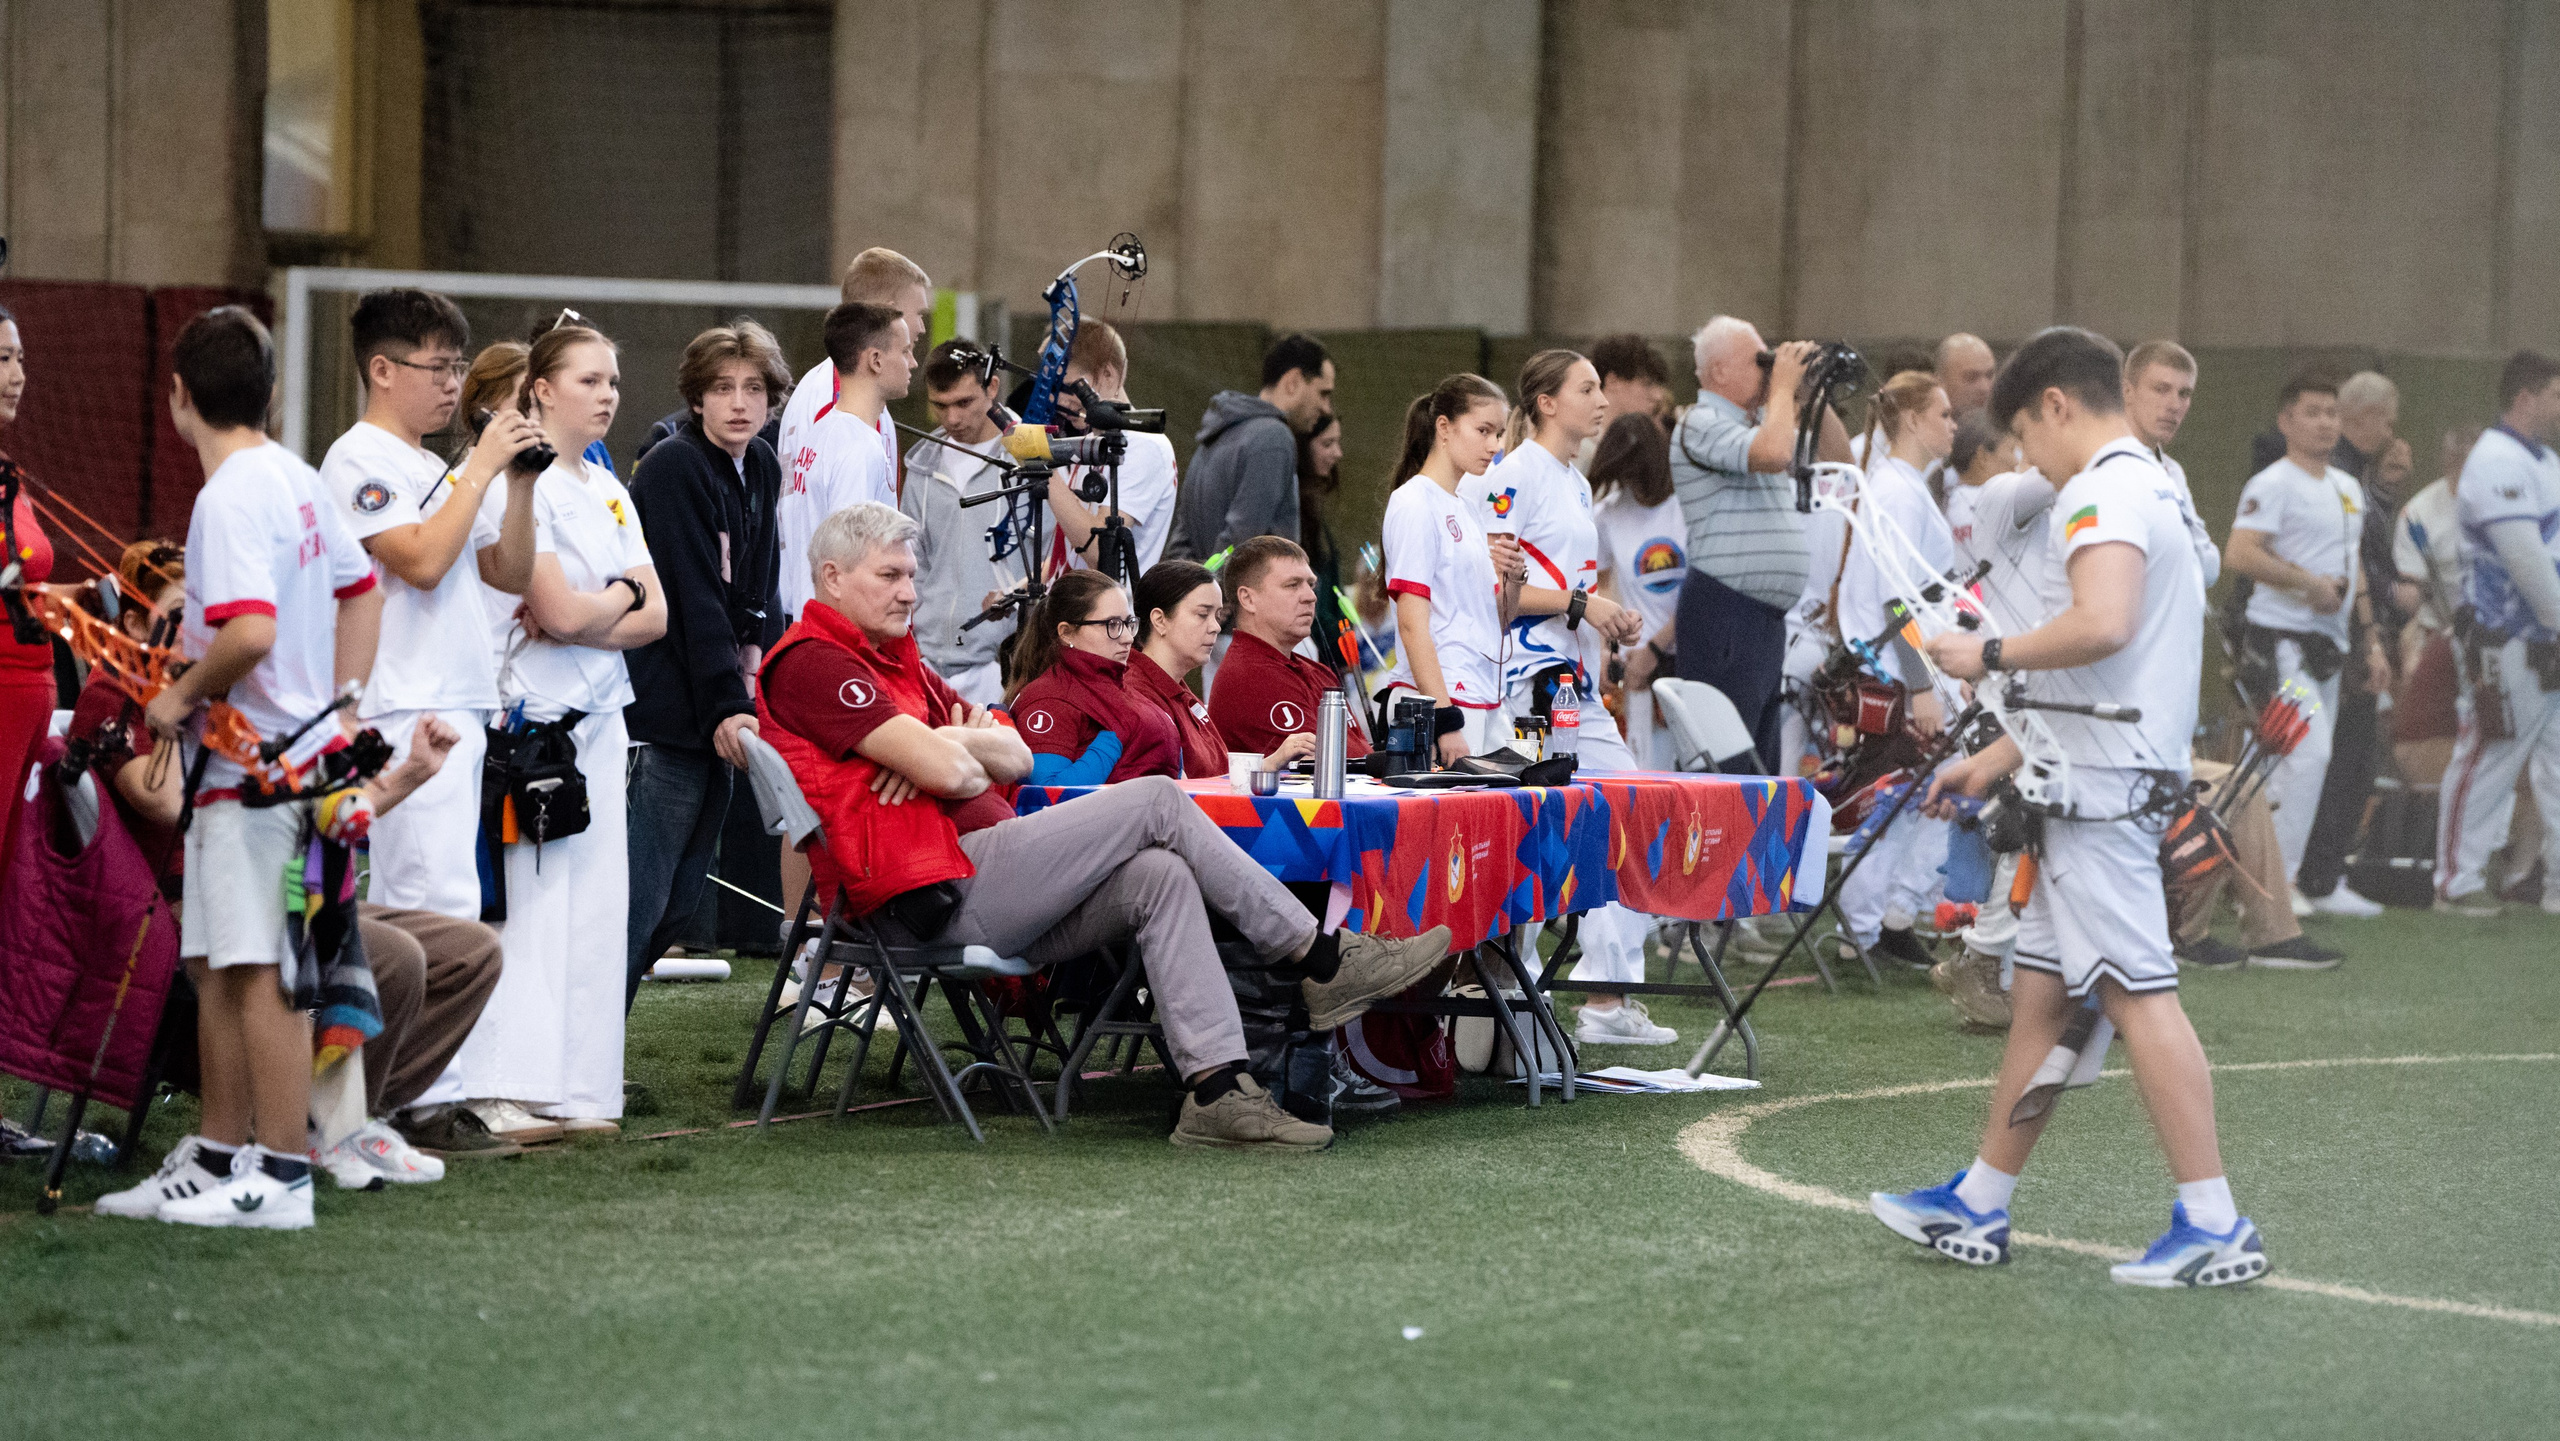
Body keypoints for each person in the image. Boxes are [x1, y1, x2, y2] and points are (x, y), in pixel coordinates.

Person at [756, 502, 1451, 1150]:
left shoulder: (896, 659)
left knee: (1161, 873)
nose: (910, 590)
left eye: (911, 573)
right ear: (832, 577)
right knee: (1156, 801)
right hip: (926, 897)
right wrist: (945, 750)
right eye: (891, 575)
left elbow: (1013, 756)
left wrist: (944, 744)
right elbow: (966, 773)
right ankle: (1320, 958)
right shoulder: (815, 661)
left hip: (979, 877)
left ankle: (1215, 1092)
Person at [1876, 325, 2269, 1290]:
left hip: (2099, 795)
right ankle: (1981, 1200)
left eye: (2022, 435)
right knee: (2044, 1007)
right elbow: (2121, 655)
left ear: (2055, 404)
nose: (2023, 460)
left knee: (2139, 993)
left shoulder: (2103, 486)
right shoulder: (2146, 483)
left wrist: (1987, 657)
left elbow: (2102, 622)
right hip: (2087, 778)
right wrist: (2004, 751)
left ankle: (2215, 1220)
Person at [120, 308, 384, 1230]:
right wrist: (343, 704)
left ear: (180, 397)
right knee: (219, 962)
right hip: (287, 767)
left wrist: (177, 694)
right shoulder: (294, 477)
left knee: (262, 968)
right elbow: (360, 589)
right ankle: (222, 1151)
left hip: (256, 773)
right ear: (270, 392)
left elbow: (252, 630)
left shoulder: (230, 493)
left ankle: (279, 1172)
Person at [442, 318, 667, 1143]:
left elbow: (657, 611)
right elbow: (561, 610)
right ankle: (506, 1088)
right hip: (536, 726)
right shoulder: (515, 483)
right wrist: (614, 599)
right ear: (540, 389)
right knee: (532, 914)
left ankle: (579, 1091)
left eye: (612, 380)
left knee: (598, 912)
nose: (607, 394)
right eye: (587, 380)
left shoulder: (610, 486)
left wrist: (601, 606)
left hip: (606, 717)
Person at [321, 289, 543, 938]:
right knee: (429, 908)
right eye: (439, 367)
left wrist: (521, 485)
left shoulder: (428, 464)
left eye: (457, 366)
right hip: (407, 705)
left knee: (451, 904)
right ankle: (410, 1042)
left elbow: (508, 572)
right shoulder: (358, 456)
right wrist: (479, 467)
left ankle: (425, 1040)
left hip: (454, 698)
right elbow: (420, 561)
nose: (454, 384)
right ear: (383, 370)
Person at [1475, 351, 1673, 1044]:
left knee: (1624, 807)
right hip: (1526, 681)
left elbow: (1567, 592)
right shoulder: (1512, 475)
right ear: (1546, 401)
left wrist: (1602, 623)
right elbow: (1490, 590)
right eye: (1586, 389)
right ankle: (1522, 1000)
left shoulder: (1573, 483)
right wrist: (1585, 604)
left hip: (1575, 678)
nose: (1600, 401)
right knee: (1541, 826)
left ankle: (1605, 995)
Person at [621, 321, 791, 1006]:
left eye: (753, 388)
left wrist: (753, 694)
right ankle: (586, 1065)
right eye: (722, 388)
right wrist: (727, 702)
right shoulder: (674, 466)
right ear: (696, 398)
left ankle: (598, 1061)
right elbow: (694, 597)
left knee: (678, 898)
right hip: (666, 713)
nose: (739, 403)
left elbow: (759, 587)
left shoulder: (763, 466)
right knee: (642, 899)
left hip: (724, 705)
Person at [2225, 372, 2389, 899]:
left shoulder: (2346, 488)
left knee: (2282, 766)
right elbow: (2241, 553)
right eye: (2313, 412)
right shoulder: (2272, 483)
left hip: (2331, 646)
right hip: (2281, 643)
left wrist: (2373, 638)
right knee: (2307, 754)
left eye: (2332, 413)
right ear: (2286, 421)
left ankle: (2248, 875)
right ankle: (2280, 883)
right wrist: (2303, 583)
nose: (2324, 423)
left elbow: (2353, 564)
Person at [1669, 317, 1853, 771]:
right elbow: (1773, 454)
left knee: (1758, 767)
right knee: (1724, 763)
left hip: (1762, 621)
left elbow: (1842, 461)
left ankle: (1745, 843)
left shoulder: (1766, 423)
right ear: (1719, 373)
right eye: (1760, 360)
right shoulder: (1701, 422)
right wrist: (1783, 388)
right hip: (1725, 612)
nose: (1771, 368)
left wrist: (1808, 391)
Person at [1830, 370, 1959, 973]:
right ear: (1911, 419)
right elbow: (1895, 599)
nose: (1955, 425)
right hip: (1894, 667)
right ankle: (1867, 925)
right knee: (1893, 796)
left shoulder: (1902, 485)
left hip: (1903, 662)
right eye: (1944, 414)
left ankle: (1889, 918)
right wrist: (1921, 684)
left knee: (1921, 795)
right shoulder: (1899, 491)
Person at [2435, 351, 2560, 915]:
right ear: (2526, 398)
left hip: (2548, 637)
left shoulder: (2546, 462)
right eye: (2556, 395)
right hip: (2504, 638)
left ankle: (2556, 884)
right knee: (2491, 754)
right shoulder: (2496, 461)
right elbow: (2525, 560)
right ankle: (2456, 881)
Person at [1378, 374, 1526, 760]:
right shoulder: (1413, 502)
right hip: (1441, 705)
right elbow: (1412, 624)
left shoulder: (1467, 509)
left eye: (1499, 435)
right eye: (1484, 431)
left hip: (1486, 699)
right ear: (1444, 427)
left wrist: (1513, 581)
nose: (1494, 447)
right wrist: (1443, 720)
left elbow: (1498, 618)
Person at [775, 301, 915, 620]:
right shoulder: (859, 448)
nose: (913, 362)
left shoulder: (822, 431)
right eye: (905, 351)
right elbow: (852, 565)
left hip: (811, 620)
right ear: (876, 360)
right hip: (840, 634)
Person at [902, 339, 1021, 708]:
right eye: (940, 405)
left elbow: (1061, 561)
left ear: (993, 388)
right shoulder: (921, 465)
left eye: (964, 403)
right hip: (925, 666)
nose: (952, 418)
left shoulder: (1033, 460)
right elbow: (911, 564)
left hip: (1002, 668)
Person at [775, 247, 931, 505]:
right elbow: (847, 534)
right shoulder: (840, 403)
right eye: (919, 314)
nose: (922, 327)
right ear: (891, 313)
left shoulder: (832, 389)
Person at [1165, 332, 1334, 560]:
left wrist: (1194, 591)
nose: (1326, 408)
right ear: (1293, 382)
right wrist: (1216, 591)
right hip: (1240, 595)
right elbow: (1240, 548)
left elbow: (1183, 541)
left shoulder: (1215, 435)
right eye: (1323, 393)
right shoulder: (1274, 437)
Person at [1005, 570, 1181, 784]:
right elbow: (1047, 793)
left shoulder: (1120, 686)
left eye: (1128, 623)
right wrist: (1112, 740)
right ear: (1066, 632)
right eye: (1112, 625)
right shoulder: (1048, 700)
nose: (1127, 638)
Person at [1201, 537, 1360, 766]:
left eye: (1311, 584)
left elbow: (1358, 756)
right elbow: (1321, 768)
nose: (1310, 597)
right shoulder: (1249, 678)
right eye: (1292, 585)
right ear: (1248, 599)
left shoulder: (1318, 673)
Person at [1045, 319, 1179, 581]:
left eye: (1069, 387)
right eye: (1052, 388)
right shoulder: (1088, 441)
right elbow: (1072, 557)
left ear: (1108, 374)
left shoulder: (1145, 446)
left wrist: (1041, 469)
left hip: (1110, 617)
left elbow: (1100, 552)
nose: (1059, 401)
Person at [1590, 414, 1685, 769]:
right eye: (1624, 475)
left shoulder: (1687, 507)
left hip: (1685, 654)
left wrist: (1657, 648)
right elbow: (1596, 588)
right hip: (1637, 667)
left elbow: (1698, 594)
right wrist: (1611, 647)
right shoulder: (1609, 514)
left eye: (1638, 474)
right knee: (1645, 766)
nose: (1634, 485)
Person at [0, 303, 56, 901]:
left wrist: (88, 597)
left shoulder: (7, 472)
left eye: (20, 359)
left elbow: (26, 587)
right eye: (3, 360)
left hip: (30, 700)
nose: (18, 376)